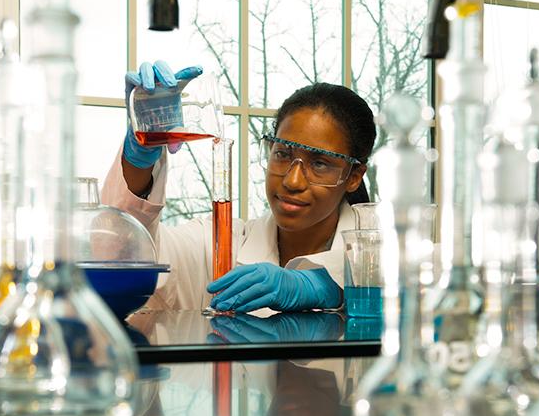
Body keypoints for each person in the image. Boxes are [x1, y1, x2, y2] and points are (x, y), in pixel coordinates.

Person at [101, 60, 377, 313]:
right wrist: (138, 162)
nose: (293, 181)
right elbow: (125, 254)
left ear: (354, 176)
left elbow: (397, 278)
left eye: (319, 163)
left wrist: (331, 286)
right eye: (282, 154)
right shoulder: (220, 246)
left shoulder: (388, 251)